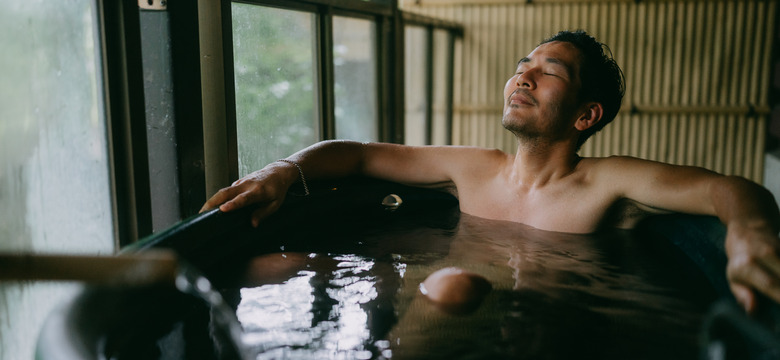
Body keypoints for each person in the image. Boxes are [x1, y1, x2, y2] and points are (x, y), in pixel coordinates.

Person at [201, 30, 780, 314]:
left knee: (453, 285)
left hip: (528, 326)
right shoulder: (474, 169)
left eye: (547, 71)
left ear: (586, 114)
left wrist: (749, 237)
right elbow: (354, 153)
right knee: (275, 263)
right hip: (438, 300)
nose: (522, 77)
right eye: (521, 66)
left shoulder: (607, 183)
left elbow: (732, 189)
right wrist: (282, 171)